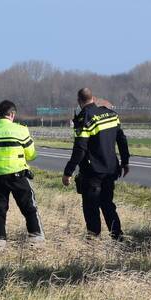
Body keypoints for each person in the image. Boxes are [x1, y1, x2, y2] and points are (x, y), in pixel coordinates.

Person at [62, 88, 130, 239]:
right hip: (111, 169)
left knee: (91, 207)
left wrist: (68, 171)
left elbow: (80, 148)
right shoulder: (111, 114)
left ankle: (93, 241)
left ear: (79, 101)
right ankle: (117, 236)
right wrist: (125, 161)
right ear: (93, 98)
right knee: (107, 204)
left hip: (93, 171)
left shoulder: (84, 118)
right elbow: (122, 140)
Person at [0, 100, 45, 247]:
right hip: (18, 175)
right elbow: (31, 155)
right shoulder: (21, 130)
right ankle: (35, 237)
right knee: (29, 207)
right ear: (12, 114)